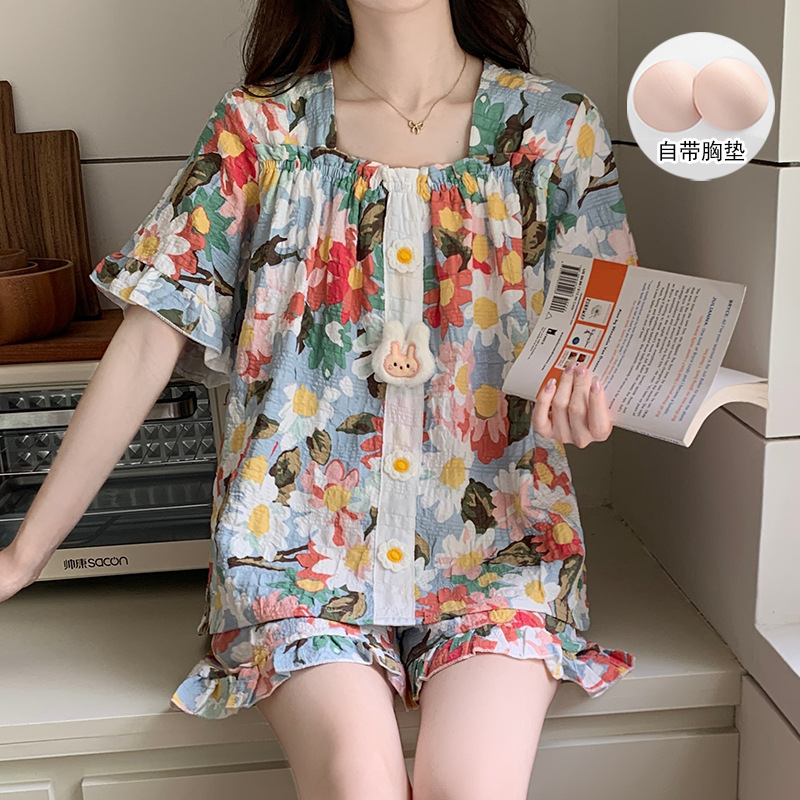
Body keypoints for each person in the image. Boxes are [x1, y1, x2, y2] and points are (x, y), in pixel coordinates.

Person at [0, 1, 641, 798]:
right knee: (354, 783)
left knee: (472, 787)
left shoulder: (556, 131)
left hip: (502, 552)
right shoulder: (258, 131)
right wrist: (20, 559)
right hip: (295, 554)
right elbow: (143, 345)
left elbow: (607, 341)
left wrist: (589, 402)